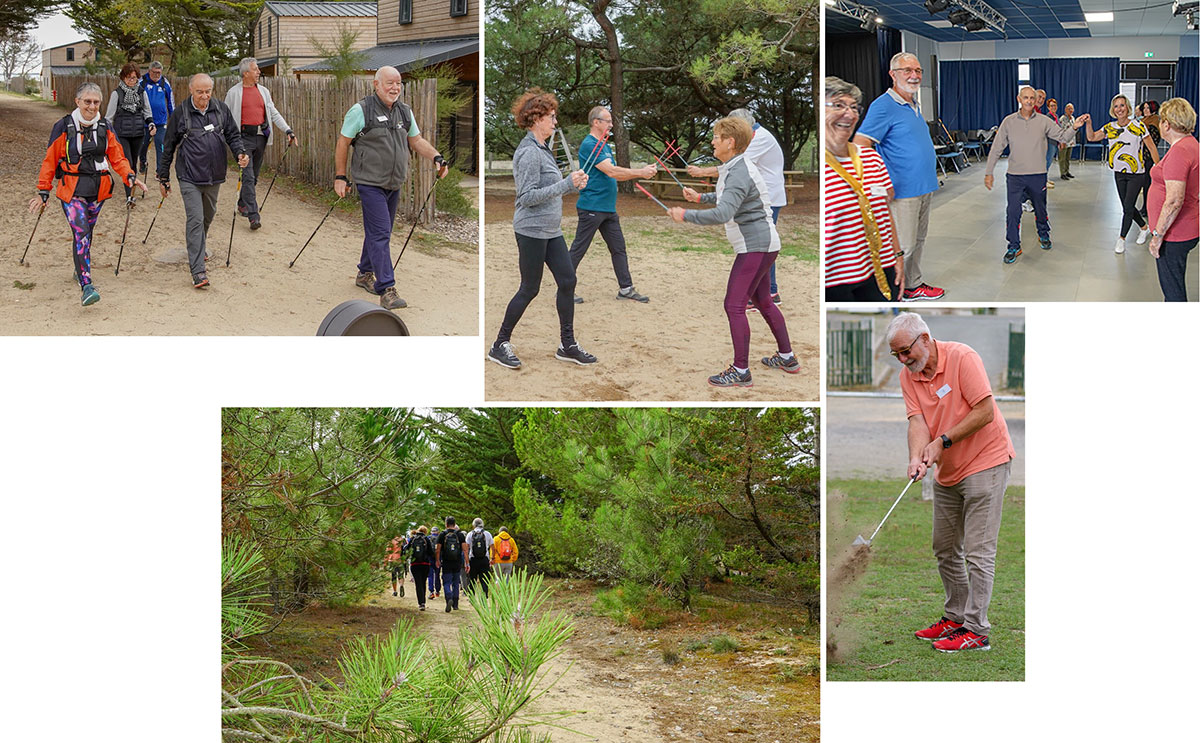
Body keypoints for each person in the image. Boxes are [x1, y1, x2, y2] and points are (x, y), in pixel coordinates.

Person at [887, 312, 1015, 653]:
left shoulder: (962, 357)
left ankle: (977, 630)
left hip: (986, 462)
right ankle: (956, 617)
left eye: (905, 351)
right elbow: (916, 420)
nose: (903, 360)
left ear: (925, 339)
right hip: (948, 471)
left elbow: (985, 411)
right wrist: (917, 456)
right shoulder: (908, 375)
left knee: (978, 552)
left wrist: (941, 442)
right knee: (945, 548)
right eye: (896, 354)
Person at [668, 116, 797, 388]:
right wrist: (700, 198)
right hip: (763, 245)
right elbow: (731, 196)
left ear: (731, 142)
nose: (713, 141)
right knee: (763, 301)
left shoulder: (738, 169)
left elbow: (725, 211)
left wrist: (686, 215)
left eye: (717, 136)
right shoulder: (735, 166)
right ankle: (787, 357)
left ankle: (740, 371)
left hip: (755, 247)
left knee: (733, 305)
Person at [487, 88, 594, 370]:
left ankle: (567, 345)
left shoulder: (544, 150)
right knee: (529, 288)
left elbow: (551, 191)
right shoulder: (528, 153)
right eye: (551, 117)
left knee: (568, 281)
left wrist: (573, 185)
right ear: (536, 118)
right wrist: (565, 184)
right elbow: (526, 197)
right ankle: (499, 344)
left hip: (551, 230)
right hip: (531, 231)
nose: (555, 122)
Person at [335, 66, 449, 310]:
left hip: (394, 183)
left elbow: (416, 140)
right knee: (381, 233)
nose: (395, 88)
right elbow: (343, 142)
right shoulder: (361, 110)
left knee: (379, 231)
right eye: (389, 83)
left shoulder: (404, 112)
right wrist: (340, 177)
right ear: (376, 84)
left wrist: (436, 157)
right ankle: (386, 288)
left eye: (398, 83)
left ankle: (365, 273)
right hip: (369, 182)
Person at [30, 82, 147, 306]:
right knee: (81, 233)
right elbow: (50, 160)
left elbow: (118, 158)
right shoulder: (62, 127)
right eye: (87, 102)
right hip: (71, 189)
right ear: (77, 102)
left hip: (98, 190)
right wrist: (43, 190)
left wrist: (129, 176)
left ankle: (79, 266)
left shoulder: (105, 127)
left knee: (86, 234)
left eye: (96, 102)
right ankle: (86, 285)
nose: (92, 107)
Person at [852, 53, 944, 302]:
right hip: (901, 191)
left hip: (923, 187)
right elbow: (860, 144)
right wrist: (877, 181)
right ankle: (892, 293)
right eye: (907, 70)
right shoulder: (883, 105)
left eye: (918, 70)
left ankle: (913, 285)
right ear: (893, 74)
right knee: (901, 246)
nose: (914, 75)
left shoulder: (913, 104)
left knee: (918, 241)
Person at [690, 107, 790, 308]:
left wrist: (702, 172)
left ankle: (770, 292)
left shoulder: (758, 138)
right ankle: (763, 293)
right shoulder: (756, 135)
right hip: (758, 195)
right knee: (762, 245)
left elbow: (734, 164)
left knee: (762, 243)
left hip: (766, 196)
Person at [157, 73, 249, 289]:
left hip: (214, 175)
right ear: (191, 90)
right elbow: (168, 146)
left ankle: (199, 246)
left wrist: (240, 153)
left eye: (208, 91)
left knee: (209, 215)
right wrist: (163, 176)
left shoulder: (220, 109)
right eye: (200, 92)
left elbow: (233, 136)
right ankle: (198, 270)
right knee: (196, 219)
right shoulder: (181, 113)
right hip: (189, 175)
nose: (204, 96)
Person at [983, 86, 1088, 264]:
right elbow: (997, 147)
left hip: (1038, 175)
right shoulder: (1008, 121)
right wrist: (989, 172)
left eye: (1032, 98)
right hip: (1015, 176)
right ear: (1019, 98)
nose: (1030, 101)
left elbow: (1062, 136)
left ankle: (1043, 234)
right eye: (1026, 98)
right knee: (1013, 211)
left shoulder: (1043, 121)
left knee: (1040, 208)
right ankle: (1013, 245)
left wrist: (1075, 127)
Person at [824, 76, 903, 302]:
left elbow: (885, 213)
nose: (849, 114)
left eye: (854, 107)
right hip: (835, 280)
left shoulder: (871, 158)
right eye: (838, 105)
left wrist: (898, 256)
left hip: (881, 268)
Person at [568, 106, 654, 304]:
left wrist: (639, 173)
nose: (611, 125)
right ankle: (564, 289)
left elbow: (614, 171)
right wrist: (640, 172)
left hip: (607, 208)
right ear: (596, 122)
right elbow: (612, 171)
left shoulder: (604, 144)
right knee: (578, 249)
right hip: (591, 206)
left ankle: (626, 289)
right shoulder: (590, 144)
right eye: (607, 121)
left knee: (619, 248)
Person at [224, 58, 296, 231]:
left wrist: (288, 130)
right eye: (255, 70)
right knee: (247, 176)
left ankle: (243, 203)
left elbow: (273, 113)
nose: (258, 72)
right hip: (242, 138)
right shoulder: (233, 93)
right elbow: (225, 118)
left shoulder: (263, 91)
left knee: (253, 176)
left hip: (260, 137)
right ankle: (253, 216)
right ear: (245, 73)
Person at [1084, 94, 1160, 254]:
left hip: (1137, 173)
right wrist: (1089, 123)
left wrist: (1158, 169)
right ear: (1113, 109)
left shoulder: (1138, 126)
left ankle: (1121, 239)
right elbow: (1091, 137)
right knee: (1129, 206)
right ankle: (1144, 228)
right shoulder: (1109, 128)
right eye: (1116, 106)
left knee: (1127, 208)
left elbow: (1152, 147)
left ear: (1128, 108)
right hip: (1119, 173)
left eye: (1122, 105)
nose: (1119, 109)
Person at [1145, 98, 1198, 302]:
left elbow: (1174, 201)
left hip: (1174, 233)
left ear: (1166, 124)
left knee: (1173, 291)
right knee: (1174, 284)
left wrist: (1158, 236)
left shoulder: (1179, 152)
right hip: (1186, 227)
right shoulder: (1192, 144)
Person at [105, 62, 156, 200]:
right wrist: (105, 134)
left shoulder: (141, 92)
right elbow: (109, 117)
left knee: (134, 161)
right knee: (127, 163)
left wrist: (151, 124)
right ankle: (129, 195)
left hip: (138, 133)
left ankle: (132, 188)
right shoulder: (117, 94)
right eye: (128, 78)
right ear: (123, 78)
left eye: (134, 78)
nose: (131, 81)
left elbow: (147, 112)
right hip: (122, 134)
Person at [138, 61, 173, 182]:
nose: (157, 75)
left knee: (161, 145)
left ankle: (160, 171)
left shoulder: (164, 82)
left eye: (159, 73)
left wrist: (172, 118)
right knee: (143, 145)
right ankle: (142, 161)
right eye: (154, 72)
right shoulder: (141, 82)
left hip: (160, 121)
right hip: (145, 121)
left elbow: (170, 101)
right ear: (149, 71)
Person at [436, 516, 467, 613]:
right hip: (457, 562)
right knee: (456, 583)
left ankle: (449, 597)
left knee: (446, 582)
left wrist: (437, 560)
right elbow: (465, 550)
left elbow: (438, 550)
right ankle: (456, 604)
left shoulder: (442, 535)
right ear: (454, 524)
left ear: (446, 524)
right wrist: (467, 562)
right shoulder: (460, 535)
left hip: (446, 562)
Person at [463, 518, 494, 599]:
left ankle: (472, 596)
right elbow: (492, 547)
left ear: (474, 525)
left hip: (473, 559)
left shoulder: (470, 534)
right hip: (484, 559)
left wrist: (466, 562)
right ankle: (484, 595)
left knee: (472, 579)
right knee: (484, 578)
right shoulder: (487, 534)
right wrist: (492, 558)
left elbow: (466, 549)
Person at [405, 525, 434, 611]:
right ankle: (423, 602)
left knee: (418, 583)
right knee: (423, 582)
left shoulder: (413, 539)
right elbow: (431, 552)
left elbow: (406, 549)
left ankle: (421, 603)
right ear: (425, 532)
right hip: (425, 564)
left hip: (415, 564)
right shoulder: (426, 539)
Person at [1057, 102, 1077, 181]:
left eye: (1072, 108)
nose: (1070, 110)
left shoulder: (1073, 118)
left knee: (1067, 158)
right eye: (1069, 109)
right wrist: (1062, 142)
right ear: (1065, 110)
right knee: (1062, 158)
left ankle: (1067, 171)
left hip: (1071, 141)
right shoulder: (1062, 119)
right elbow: (1060, 131)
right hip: (1064, 142)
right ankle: (1062, 173)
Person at [427, 525, 441, 599]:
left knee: (430, 576)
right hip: (438, 559)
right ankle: (438, 591)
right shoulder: (440, 538)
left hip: (429, 560)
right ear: (438, 532)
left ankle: (431, 591)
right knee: (437, 575)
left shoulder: (428, 538)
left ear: (431, 532)